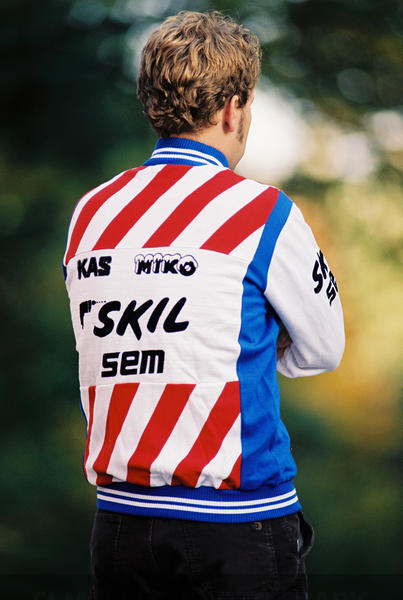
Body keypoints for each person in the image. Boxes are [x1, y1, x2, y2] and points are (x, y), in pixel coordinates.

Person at [63, 10, 345, 599]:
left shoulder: (90, 212)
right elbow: (324, 347)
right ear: (232, 109)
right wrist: (244, 343)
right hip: (239, 519)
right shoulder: (262, 211)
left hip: (119, 523)